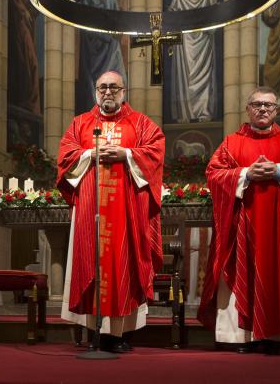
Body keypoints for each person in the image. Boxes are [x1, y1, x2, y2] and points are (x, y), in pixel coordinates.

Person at [198, 87, 280, 354]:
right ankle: (240, 337)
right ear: (248, 108)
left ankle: (279, 336)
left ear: (277, 111)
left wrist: (279, 171)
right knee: (241, 273)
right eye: (257, 104)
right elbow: (214, 174)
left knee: (278, 275)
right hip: (241, 227)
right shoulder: (231, 143)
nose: (263, 109)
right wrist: (245, 174)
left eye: (268, 106)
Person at [57, 70, 165, 352]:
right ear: (95, 90)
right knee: (93, 265)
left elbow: (155, 152)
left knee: (123, 267)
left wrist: (126, 154)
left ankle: (119, 335)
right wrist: (89, 153)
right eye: (103, 87)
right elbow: (65, 159)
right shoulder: (80, 123)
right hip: (90, 212)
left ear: (124, 91)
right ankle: (96, 333)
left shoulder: (141, 123)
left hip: (126, 214)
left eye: (114, 87)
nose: (108, 92)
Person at [167, 0, 218, 123]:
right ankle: (185, 114)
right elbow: (170, 21)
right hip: (184, 45)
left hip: (203, 43)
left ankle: (204, 112)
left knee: (205, 77)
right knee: (184, 78)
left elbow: (216, 20)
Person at [76, 0, 126, 112]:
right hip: (94, 46)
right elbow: (84, 20)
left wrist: (118, 31)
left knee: (119, 76)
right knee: (95, 82)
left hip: (111, 47)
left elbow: (116, 19)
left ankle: (116, 108)